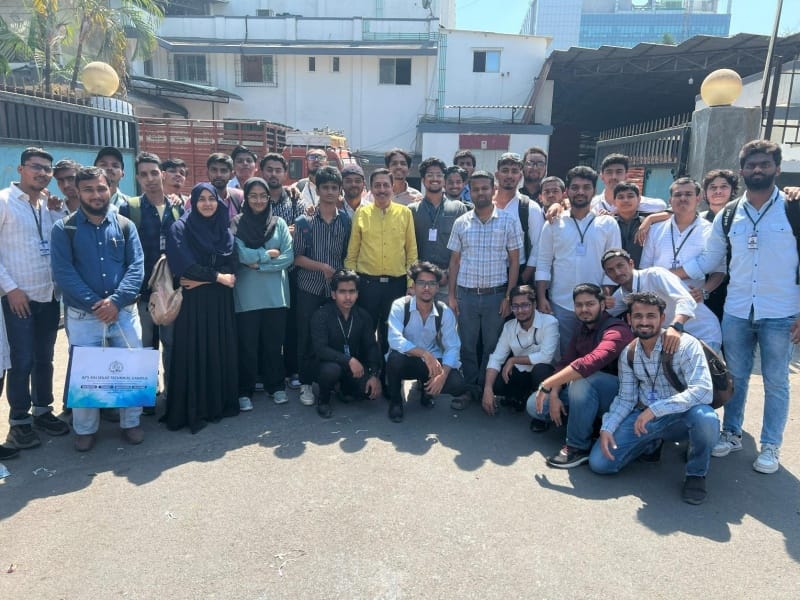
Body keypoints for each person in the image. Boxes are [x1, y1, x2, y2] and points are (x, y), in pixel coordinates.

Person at [679, 139, 799, 474]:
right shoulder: (730, 214)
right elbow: (709, 259)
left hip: (781, 311)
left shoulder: (793, 208)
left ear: (777, 168)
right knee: (736, 377)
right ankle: (731, 433)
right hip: (737, 310)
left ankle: (771, 445)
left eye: (764, 164)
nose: (758, 170)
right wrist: (666, 274)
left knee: (776, 381)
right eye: (751, 165)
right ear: (742, 170)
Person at [589, 292, 719, 505]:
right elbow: (626, 398)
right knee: (600, 464)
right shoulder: (629, 353)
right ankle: (651, 444)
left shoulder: (686, 345)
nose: (644, 322)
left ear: (662, 318)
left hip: (681, 416)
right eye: (638, 316)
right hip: (645, 418)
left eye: (651, 316)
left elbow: (704, 391)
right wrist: (608, 427)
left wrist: (656, 409)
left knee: (705, 418)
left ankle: (696, 474)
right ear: (629, 319)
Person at [50, 166, 146, 451]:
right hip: (84, 316)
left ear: (110, 189)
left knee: (130, 369)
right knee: (87, 375)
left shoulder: (125, 225)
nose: (96, 195)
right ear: (78, 192)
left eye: (101, 188)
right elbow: (64, 272)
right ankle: (85, 429)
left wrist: (116, 301)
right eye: (88, 189)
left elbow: (137, 266)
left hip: (124, 312)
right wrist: (97, 304)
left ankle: (131, 423)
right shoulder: (64, 229)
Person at [0, 147, 69, 450]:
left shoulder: (48, 205)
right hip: (18, 298)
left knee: (45, 358)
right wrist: (10, 289)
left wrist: (57, 210)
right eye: (35, 167)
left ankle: (43, 411)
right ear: (21, 169)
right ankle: (19, 422)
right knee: (21, 360)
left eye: (47, 169)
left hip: (48, 294)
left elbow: (59, 240)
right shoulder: (4, 202)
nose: (42, 173)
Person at [530, 283, 633, 468]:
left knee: (582, 380)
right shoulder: (582, 328)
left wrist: (547, 384)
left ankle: (577, 447)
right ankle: (587, 423)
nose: (584, 309)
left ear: (602, 305)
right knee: (534, 406)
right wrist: (554, 393)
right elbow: (565, 362)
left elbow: (590, 362)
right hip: (586, 391)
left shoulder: (617, 330)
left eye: (590, 304)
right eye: (579, 305)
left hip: (618, 396)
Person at [163, 183, 239, 433]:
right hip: (193, 304)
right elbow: (184, 267)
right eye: (202, 199)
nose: (207, 203)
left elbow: (232, 267)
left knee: (217, 349)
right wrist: (217, 277)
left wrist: (208, 279)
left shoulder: (223, 229)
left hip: (219, 303)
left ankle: (217, 405)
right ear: (193, 202)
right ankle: (195, 409)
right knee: (194, 351)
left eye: (212, 198)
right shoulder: (180, 228)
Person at [120, 152, 184, 413]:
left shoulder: (178, 207)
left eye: (154, 173)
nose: (150, 179)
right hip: (142, 292)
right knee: (145, 347)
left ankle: (171, 395)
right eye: (144, 174)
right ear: (137, 178)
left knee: (172, 346)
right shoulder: (130, 208)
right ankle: (146, 398)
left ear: (163, 174)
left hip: (172, 291)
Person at [536, 166, 621, 357]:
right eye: (575, 187)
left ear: (594, 190)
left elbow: (613, 266)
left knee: (592, 356)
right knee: (562, 354)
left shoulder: (607, 223)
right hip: (560, 303)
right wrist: (542, 297)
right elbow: (543, 263)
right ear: (567, 191)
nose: (580, 192)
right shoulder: (553, 223)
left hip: (595, 304)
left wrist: (605, 295)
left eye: (586, 187)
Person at [447, 170, 522, 388]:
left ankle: (485, 388)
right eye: (475, 189)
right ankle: (470, 388)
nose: (480, 193)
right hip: (467, 296)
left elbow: (515, 262)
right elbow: (454, 262)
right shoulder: (461, 223)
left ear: (493, 190)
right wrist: (451, 296)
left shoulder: (508, 221)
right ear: (469, 192)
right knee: (467, 345)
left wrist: (508, 297)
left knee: (492, 346)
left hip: (495, 296)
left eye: (485, 188)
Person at [232, 177, 294, 410]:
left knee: (273, 345)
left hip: (276, 296)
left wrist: (258, 265)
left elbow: (288, 256)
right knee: (247, 346)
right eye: (253, 196)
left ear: (269, 198)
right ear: (246, 198)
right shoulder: (237, 224)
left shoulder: (279, 223)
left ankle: (275, 386)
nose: (258, 200)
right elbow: (240, 254)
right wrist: (268, 255)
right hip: (247, 296)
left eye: (263, 196)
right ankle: (245, 390)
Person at [640, 177, 726, 339]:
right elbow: (645, 269)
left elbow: (719, 271)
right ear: (670, 200)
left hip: (692, 306)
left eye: (688, 194)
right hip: (658, 306)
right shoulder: (655, 229)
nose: (683, 198)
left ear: (698, 198)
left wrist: (704, 292)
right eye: (678, 195)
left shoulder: (710, 231)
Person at [294, 166, 352, 406]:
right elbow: (296, 258)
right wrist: (321, 267)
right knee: (306, 336)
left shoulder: (346, 221)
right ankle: (306, 383)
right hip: (309, 288)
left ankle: (333, 381)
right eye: (325, 187)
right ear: (317, 190)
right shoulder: (304, 221)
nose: (329, 192)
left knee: (334, 336)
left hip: (334, 291)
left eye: (334, 188)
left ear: (340, 191)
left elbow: (347, 255)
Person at [345, 168, 418, 358]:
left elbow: (411, 253)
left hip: (396, 285)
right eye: (377, 185)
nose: (382, 189)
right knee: (365, 332)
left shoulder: (405, 213)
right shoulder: (362, 213)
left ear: (392, 187)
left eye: (386, 185)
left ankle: (388, 374)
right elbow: (352, 253)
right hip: (367, 284)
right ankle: (366, 372)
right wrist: (350, 285)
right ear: (370, 188)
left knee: (392, 334)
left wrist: (411, 284)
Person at [386, 262, 470, 422]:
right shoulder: (400, 306)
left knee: (456, 383)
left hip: (431, 362)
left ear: (437, 287)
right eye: (421, 283)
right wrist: (424, 354)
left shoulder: (444, 311)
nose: (426, 288)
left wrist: (443, 375)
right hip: (407, 359)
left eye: (431, 283)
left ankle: (427, 391)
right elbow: (394, 339)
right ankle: (396, 402)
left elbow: (453, 346)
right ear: (413, 285)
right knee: (394, 359)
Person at [602, 248, 721, 352]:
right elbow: (602, 314)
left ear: (631, 263)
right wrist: (602, 303)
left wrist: (675, 328)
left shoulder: (655, 274)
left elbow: (687, 300)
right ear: (606, 275)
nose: (617, 272)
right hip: (673, 340)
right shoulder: (621, 294)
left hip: (703, 335)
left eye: (620, 265)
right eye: (610, 270)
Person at [260, 152, 307, 390]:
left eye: (278, 170)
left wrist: (282, 236)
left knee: (292, 324)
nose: (273, 174)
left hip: (291, 271)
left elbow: (301, 231)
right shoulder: (257, 199)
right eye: (269, 169)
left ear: (285, 173)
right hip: (262, 273)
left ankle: (292, 369)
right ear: (262, 171)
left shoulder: (295, 200)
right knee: (265, 324)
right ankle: (264, 372)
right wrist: (284, 233)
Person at [310, 270, 382, 418]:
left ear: (357, 294)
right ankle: (323, 400)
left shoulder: (363, 316)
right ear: (333, 294)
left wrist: (374, 375)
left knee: (368, 392)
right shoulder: (321, 315)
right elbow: (320, 349)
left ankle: (343, 389)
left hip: (353, 367)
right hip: (327, 364)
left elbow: (371, 347)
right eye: (342, 292)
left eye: (352, 292)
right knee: (331, 370)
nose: (348, 297)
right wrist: (348, 360)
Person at [482, 285, 558, 416]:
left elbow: (546, 357)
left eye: (525, 305)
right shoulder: (509, 327)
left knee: (541, 370)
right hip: (522, 373)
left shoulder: (550, 322)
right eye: (515, 306)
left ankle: (542, 414)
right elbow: (496, 358)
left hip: (546, 373)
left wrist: (513, 360)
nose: (520, 310)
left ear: (534, 304)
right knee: (494, 380)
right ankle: (520, 397)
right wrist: (487, 389)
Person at [409, 157, 468, 302]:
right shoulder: (412, 210)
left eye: (439, 175)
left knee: (447, 316)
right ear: (423, 180)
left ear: (444, 179)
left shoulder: (458, 208)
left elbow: (464, 246)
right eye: (430, 175)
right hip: (420, 280)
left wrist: (447, 274)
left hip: (449, 281)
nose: (434, 179)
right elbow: (408, 248)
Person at [493, 152, 544, 284]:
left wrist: (524, 278)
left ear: (520, 176)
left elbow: (538, 247)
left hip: (518, 273)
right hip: (488, 274)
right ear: (497, 174)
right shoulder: (486, 205)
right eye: (505, 170)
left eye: (514, 171)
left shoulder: (530, 207)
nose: (509, 175)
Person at [699, 169, 738, 322]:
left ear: (732, 190)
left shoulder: (741, 219)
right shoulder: (698, 220)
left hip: (733, 288)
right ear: (705, 192)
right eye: (713, 187)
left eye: (724, 186)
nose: (718, 191)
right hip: (703, 287)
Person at [590, 154, 666, 215]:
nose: (614, 177)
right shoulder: (592, 205)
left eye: (619, 172)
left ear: (626, 175)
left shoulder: (643, 204)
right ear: (602, 176)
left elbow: (663, 207)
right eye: (609, 172)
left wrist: (650, 218)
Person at [610, 181, 647, 267]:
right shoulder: (609, 224)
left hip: (641, 272)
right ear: (614, 201)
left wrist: (650, 219)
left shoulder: (646, 224)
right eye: (621, 197)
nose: (626, 200)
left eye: (630, 196)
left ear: (639, 199)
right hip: (613, 272)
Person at [202, 153, 244, 222]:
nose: (219, 175)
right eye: (214, 170)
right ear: (207, 173)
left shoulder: (239, 197)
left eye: (223, 171)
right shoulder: (197, 198)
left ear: (232, 175)